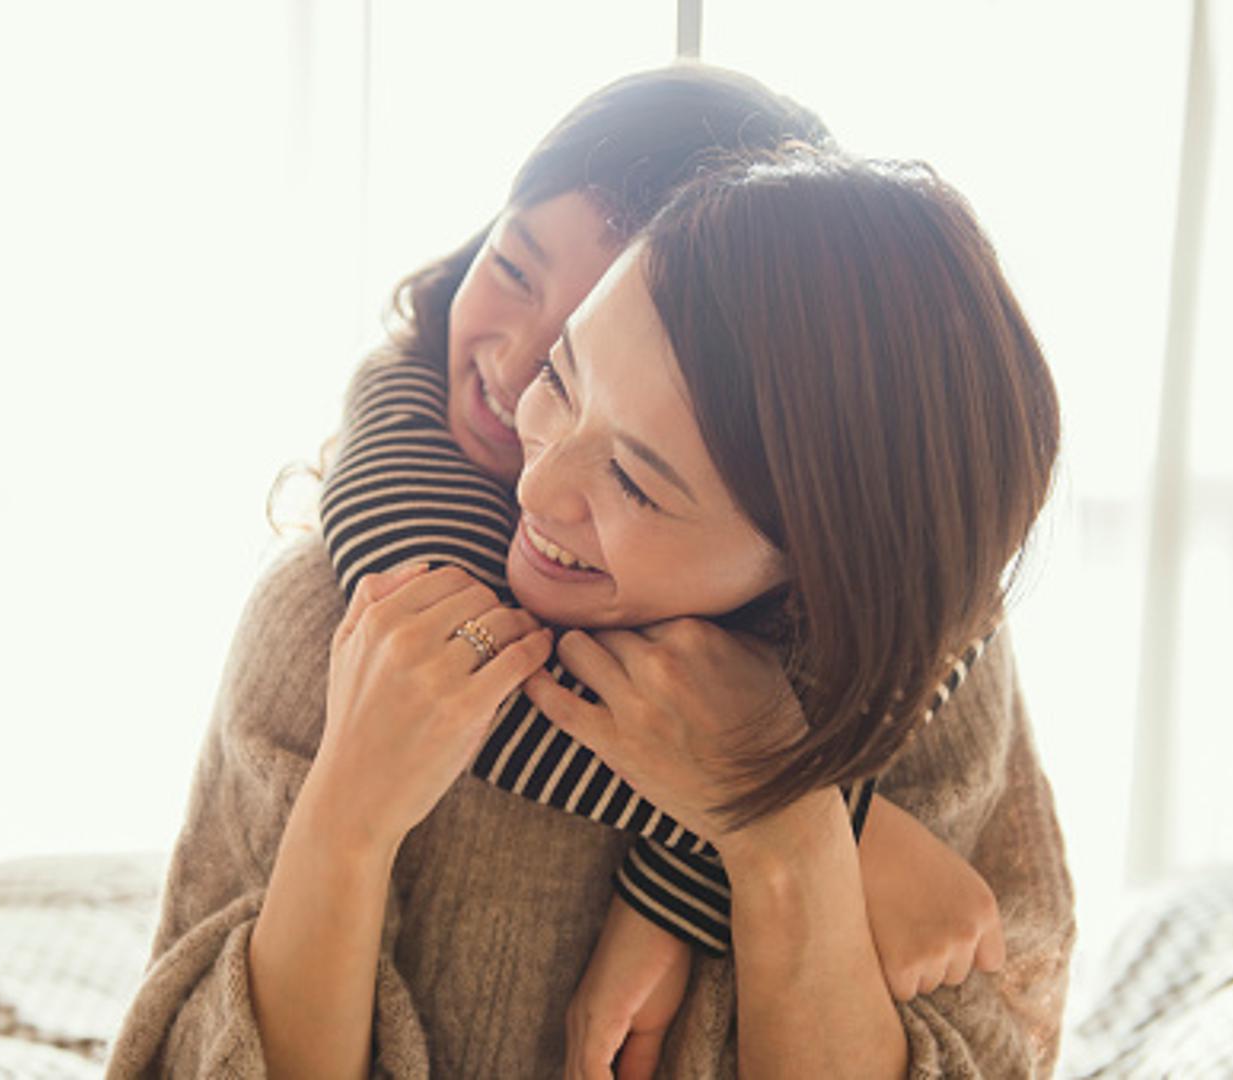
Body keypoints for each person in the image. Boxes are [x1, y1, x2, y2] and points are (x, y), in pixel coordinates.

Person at [107, 76, 1073, 1079]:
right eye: (564, 379)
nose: (539, 477)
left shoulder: (912, 688)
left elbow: (989, 1054)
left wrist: (790, 839)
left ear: (809, 566)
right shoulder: (337, 620)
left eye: (634, 481)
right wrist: (346, 826)